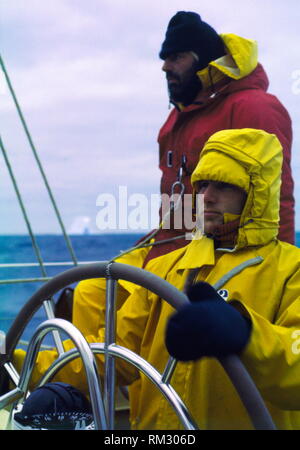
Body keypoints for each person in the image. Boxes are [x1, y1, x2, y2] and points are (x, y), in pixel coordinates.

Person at [12, 128, 300, 429]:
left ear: (257, 192)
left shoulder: (292, 271)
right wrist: (22, 365)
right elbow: (111, 357)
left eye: (225, 185)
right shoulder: (165, 269)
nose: (207, 197)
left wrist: (247, 336)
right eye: (202, 186)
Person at [71, 10, 294, 342]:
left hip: (219, 249)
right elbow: (173, 201)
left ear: (202, 61)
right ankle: (87, 389)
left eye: (175, 57)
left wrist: (277, 272)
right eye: (164, 58)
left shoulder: (253, 107)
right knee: (90, 292)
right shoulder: (177, 118)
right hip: (170, 245)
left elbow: (276, 193)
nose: (165, 66)